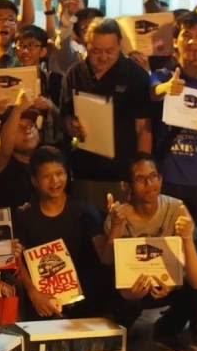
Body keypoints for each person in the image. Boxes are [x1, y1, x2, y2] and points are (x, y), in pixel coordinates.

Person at [98, 155, 197, 351]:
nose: (149, 184)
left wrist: (174, 284)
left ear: (161, 179)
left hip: (167, 282)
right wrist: (116, 226)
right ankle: (121, 331)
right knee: (110, 289)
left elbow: (192, 260)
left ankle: (167, 331)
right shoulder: (118, 214)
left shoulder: (177, 208)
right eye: (140, 179)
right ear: (127, 186)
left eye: (153, 176)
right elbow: (106, 261)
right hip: (131, 287)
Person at [13, 147, 122, 322]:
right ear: (34, 180)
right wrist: (33, 293)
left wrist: (116, 226)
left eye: (59, 173)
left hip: (85, 301)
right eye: (46, 176)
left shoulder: (84, 211)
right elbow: (17, 258)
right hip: (43, 303)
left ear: (68, 174)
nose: (55, 181)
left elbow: (106, 258)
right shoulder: (25, 216)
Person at [59, 18, 153, 212]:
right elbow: (65, 117)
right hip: (83, 172)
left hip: (122, 175)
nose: (103, 57)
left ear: (120, 45)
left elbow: (144, 129)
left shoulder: (135, 75)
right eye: (96, 51)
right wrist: (71, 126)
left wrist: (141, 172)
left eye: (110, 51)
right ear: (86, 45)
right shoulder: (75, 74)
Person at [148, 12, 197, 242]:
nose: (192, 41)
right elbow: (154, 92)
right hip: (170, 177)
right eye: (186, 35)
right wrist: (168, 88)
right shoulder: (163, 75)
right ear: (175, 41)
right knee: (169, 245)